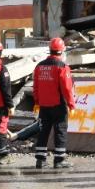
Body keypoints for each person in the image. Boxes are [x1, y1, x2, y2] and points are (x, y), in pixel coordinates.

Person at [32, 38, 75, 170]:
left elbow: (36, 86)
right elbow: (67, 88)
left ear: (50, 49)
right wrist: (71, 105)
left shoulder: (39, 66)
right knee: (60, 131)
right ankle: (59, 160)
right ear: (62, 50)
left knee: (43, 131)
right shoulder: (62, 66)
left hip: (44, 105)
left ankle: (40, 160)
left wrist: (37, 102)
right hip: (58, 105)